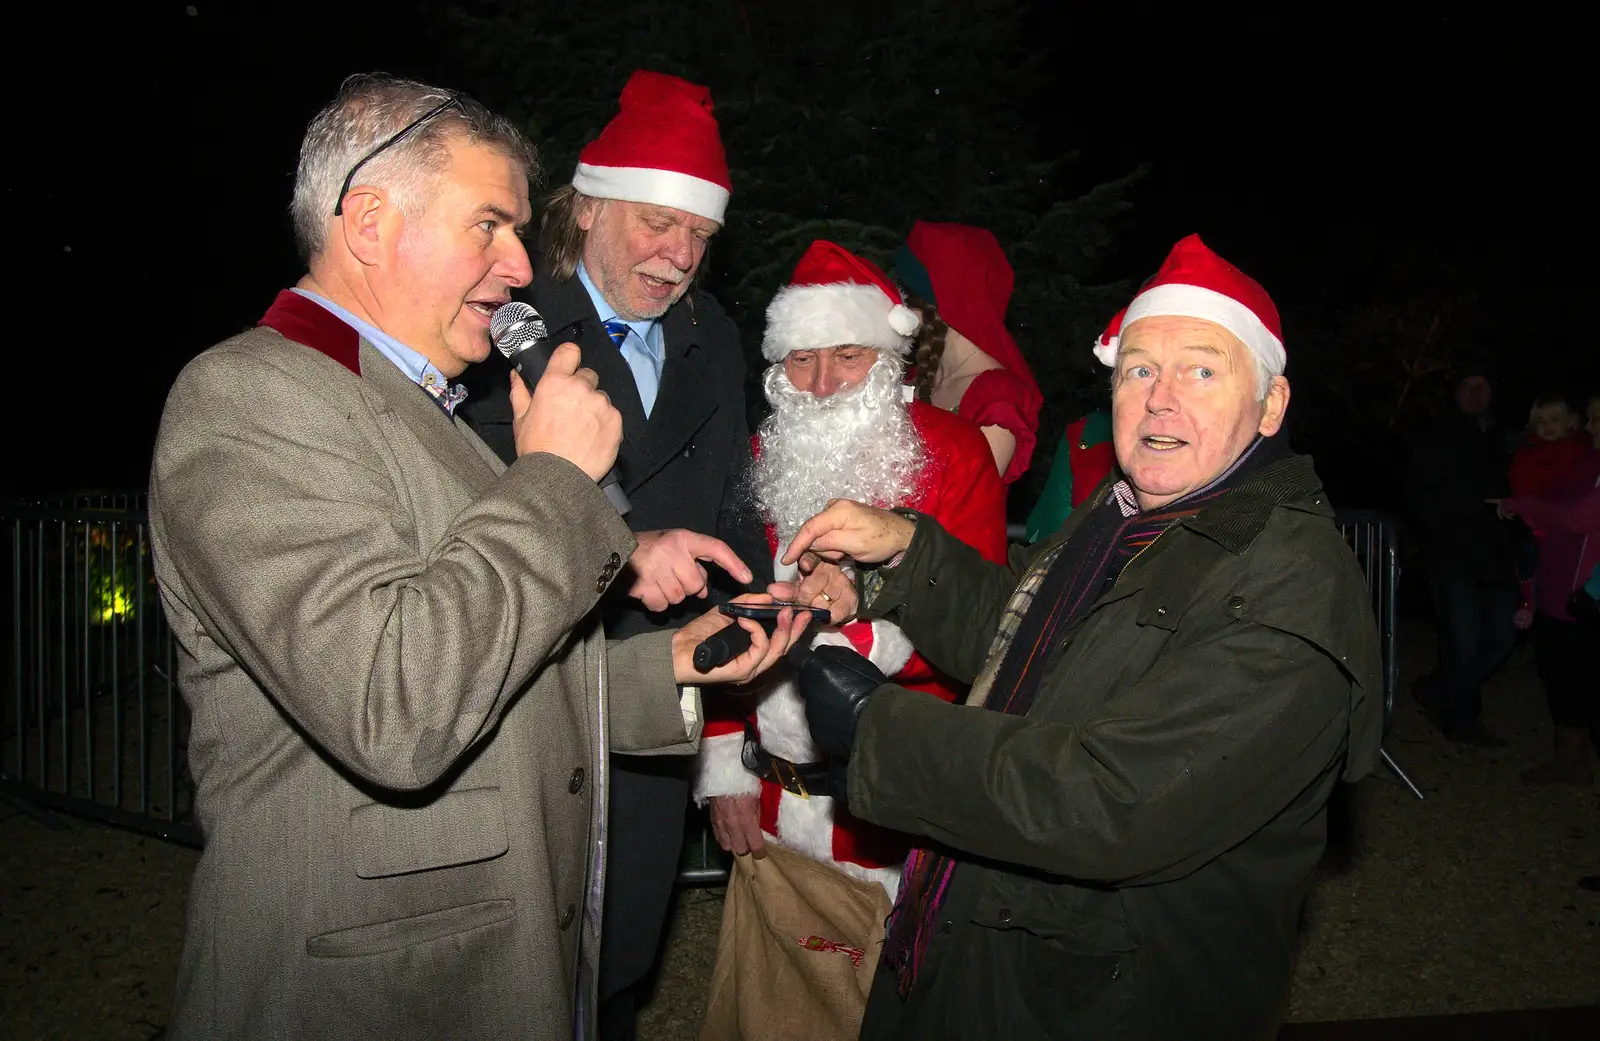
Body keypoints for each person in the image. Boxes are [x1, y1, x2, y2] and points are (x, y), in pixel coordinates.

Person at [147, 74, 804, 1041]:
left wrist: (665, 667)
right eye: (489, 226)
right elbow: (395, 701)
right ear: (368, 223)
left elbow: (494, 666)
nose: (516, 265)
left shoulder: (423, 408)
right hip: (362, 988)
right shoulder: (249, 397)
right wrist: (557, 485)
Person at [782, 234, 1385, 1040]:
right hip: (1002, 950)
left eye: (1201, 370)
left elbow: (1109, 801)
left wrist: (875, 727)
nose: (1160, 399)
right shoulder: (1132, 512)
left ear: (1271, 405)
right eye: (1139, 370)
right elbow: (1033, 637)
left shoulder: (1286, 585)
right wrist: (900, 556)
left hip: (1106, 995)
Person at [456, 71, 769, 1040]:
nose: (679, 258)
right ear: (586, 207)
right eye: (654, 226)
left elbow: (730, 492)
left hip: (659, 694)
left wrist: (761, 591)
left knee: (622, 947)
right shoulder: (505, 322)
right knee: (522, 960)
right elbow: (466, 492)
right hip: (534, 680)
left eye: (699, 238)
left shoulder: (713, 337)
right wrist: (620, 545)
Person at [694, 241, 1007, 1040]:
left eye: (848, 354)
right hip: (773, 796)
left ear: (889, 355)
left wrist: (862, 630)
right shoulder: (762, 453)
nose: (825, 382)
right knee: (774, 1007)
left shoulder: (954, 452)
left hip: (897, 809)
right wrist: (723, 759)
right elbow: (732, 607)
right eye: (801, 359)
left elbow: (983, 638)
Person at [1406, 372, 1519, 747]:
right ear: (1454, 392)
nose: (1474, 393)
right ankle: (1464, 719)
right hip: (1453, 557)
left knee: (1502, 637)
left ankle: (1438, 688)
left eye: (1482, 386)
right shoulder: (1436, 433)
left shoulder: (1504, 434)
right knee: (1462, 639)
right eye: (1466, 386)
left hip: (1500, 556)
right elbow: (1420, 495)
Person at [1494, 391, 1600, 784]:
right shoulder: (1582, 459)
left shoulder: (1588, 460)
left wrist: (1525, 507)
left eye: (1595, 418)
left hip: (1582, 591)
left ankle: (1573, 761)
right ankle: (1570, 761)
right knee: (1560, 674)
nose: (1590, 426)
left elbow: (1578, 517)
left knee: (1575, 675)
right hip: (1560, 586)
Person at [893, 221, 1043, 485]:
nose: (893, 304)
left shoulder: (997, 400)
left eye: (901, 292)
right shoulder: (914, 377)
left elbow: (963, 511)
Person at [1507, 393, 1589, 628]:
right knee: (1528, 551)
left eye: (1554, 420)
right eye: (1541, 422)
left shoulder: (1581, 450)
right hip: (1536, 523)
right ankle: (1527, 602)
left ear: (1569, 421)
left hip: (1569, 524)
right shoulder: (1528, 453)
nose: (1548, 427)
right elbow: (1523, 489)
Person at [1022, 408, 1115, 542]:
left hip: (1052, 543)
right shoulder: (1100, 429)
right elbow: (1095, 516)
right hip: (1066, 548)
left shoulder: (1095, 425)